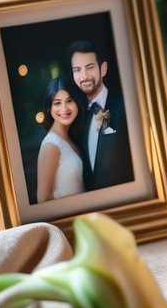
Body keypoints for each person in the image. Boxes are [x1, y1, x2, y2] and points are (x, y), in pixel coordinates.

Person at [66, 39, 134, 191]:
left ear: (103, 69)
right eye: (77, 70)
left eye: (89, 67)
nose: (84, 76)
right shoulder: (78, 115)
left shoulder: (126, 105)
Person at [36, 77, 86, 202]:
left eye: (69, 101)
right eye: (57, 103)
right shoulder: (51, 145)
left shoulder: (70, 138)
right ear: (49, 108)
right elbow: (43, 198)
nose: (64, 108)